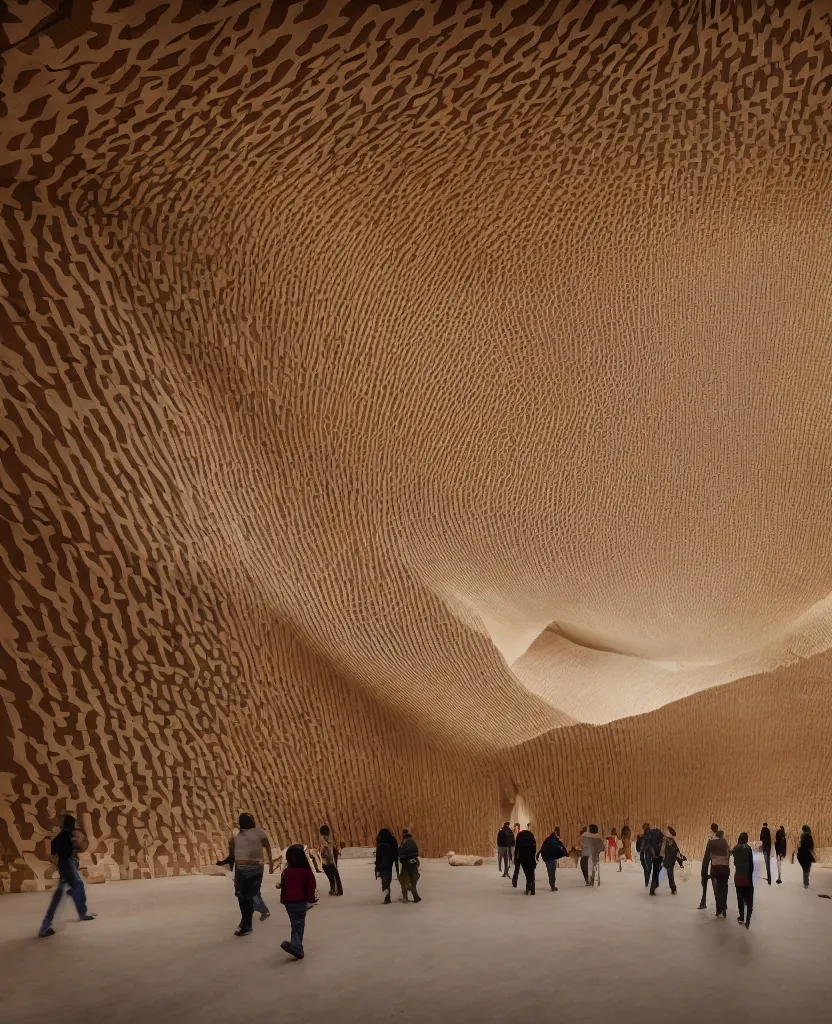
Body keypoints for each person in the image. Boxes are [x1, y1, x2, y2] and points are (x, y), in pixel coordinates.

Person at [38, 814, 96, 938]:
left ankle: (80, 912)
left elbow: (55, 850)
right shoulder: (65, 836)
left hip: (67, 864)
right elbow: (61, 850)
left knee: (68, 890)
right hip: (67, 864)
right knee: (74, 887)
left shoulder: (65, 836)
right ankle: (46, 926)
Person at [226, 813, 274, 936]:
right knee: (243, 896)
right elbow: (267, 848)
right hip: (245, 868)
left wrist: (271, 864)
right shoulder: (240, 835)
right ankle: (245, 921)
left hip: (252, 868)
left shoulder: (257, 833)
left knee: (246, 896)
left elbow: (267, 847)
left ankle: (247, 924)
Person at [278, 844, 316, 959]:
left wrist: (283, 900)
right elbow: (311, 887)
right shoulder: (306, 872)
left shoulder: (286, 872)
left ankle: (296, 945)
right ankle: (297, 947)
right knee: (298, 924)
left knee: (296, 924)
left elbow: (284, 887)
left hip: (289, 903)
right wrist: (309, 900)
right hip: (300, 901)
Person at [703, 829, 730, 917]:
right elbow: (728, 854)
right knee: (724, 888)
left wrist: (704, 873)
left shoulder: (711, 843)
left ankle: (718, 909)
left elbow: (707, 858)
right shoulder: (725, 842)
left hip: (715, 869)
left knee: (717, 890)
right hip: (725, 869)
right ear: (722, 835)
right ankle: (724, 907)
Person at [733, 832, 754, 927]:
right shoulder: (748, 849)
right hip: (747, 878)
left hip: (738, 877)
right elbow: (751, 865)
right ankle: (748, 920)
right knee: (749, 899)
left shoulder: (735, 849)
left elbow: (734, 863)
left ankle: (741, 917)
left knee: (739, 897)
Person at [374, 828, 399, 904]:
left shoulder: (380, 843)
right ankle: (387, 895)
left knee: (384, 879)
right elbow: (396, 851)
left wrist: (377, 864)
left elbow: (378, 855)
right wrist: (394, 859)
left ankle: (387, 896)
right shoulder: (392, 840)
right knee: (387, 879)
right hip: (389, 863)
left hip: (382, 864)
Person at [698, 823, 720, 909]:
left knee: (713, 884)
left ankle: (704, 902)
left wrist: (703, 872)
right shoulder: (721, 841)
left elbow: (706, 857)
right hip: (719, 867)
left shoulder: (711, 841)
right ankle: (719, 907)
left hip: (713, 867)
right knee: (717, 886)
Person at [398, 830, 422, 902]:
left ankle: (407, 897)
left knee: (404, 880)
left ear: (404, 834)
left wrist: (398, 855)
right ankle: (414, 896)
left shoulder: (405, 842)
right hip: (413, 862)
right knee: (412, 879)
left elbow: (401, 851)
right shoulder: (413, 841)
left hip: (406, 863)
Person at [319, 824, 343, 896]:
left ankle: (337, 890)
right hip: (330, 858)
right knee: (333, 874)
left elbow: (326, 847)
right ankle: (334, 889)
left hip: (329, 859)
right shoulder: (328, 838)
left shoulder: (323, 838)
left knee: (333, 875)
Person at [658, 827, 682, 894]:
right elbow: (677, 851)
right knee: (670, 875)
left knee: (658, 873)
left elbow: (662, 851)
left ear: (670, 833)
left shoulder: (666, 840)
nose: (666, 832)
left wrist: (661, 859)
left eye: (667, 831)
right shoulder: (672, 841)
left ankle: (653, 887)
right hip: (670, 861)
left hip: (667, 861)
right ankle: (673, 889)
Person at [515, 824, 537, 894]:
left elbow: (517, 848)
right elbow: (534, 847)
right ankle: (532, 887)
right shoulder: (531, 836)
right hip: (531, 856)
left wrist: (516, 858)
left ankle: (528, 887)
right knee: (531, 871)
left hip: (523, 856)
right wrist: (534, 857)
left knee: (527, 872)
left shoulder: (519, 836)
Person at [644, 824, 665, 895]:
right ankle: (654, 886)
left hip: (654, 856)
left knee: (655, 870)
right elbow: (663, 841)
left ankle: (653, 887)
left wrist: (653, 855)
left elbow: (648, 846)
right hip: (659, 855)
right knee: (657, 870)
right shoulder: (658, 832)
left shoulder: (649, 835)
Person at [636, 823, 653, 887]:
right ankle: (647, 880)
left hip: (646, 852)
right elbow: (638, 845)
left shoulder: (647, 835)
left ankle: (647, 880)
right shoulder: (643, 835)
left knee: (647, 867)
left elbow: (638, 845)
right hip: (645, 852)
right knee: (647, 867)